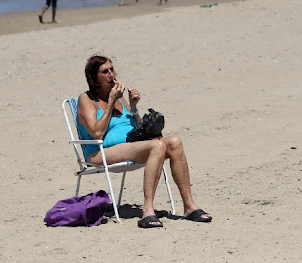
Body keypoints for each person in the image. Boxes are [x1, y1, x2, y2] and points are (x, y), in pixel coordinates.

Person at [77, 55, 212, 228]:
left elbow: (137, 128)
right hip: (99, 152)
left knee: (174, 142)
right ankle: (148, 210)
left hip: (130, 146)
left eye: (112, 69)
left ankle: (189, 206)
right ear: (94, 78)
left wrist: (133, 107)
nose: (111, 74)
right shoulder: (87, 99)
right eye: (105, 72)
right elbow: (96, 133)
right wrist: (111, 103)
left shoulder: (119, 97)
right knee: (157, 145)